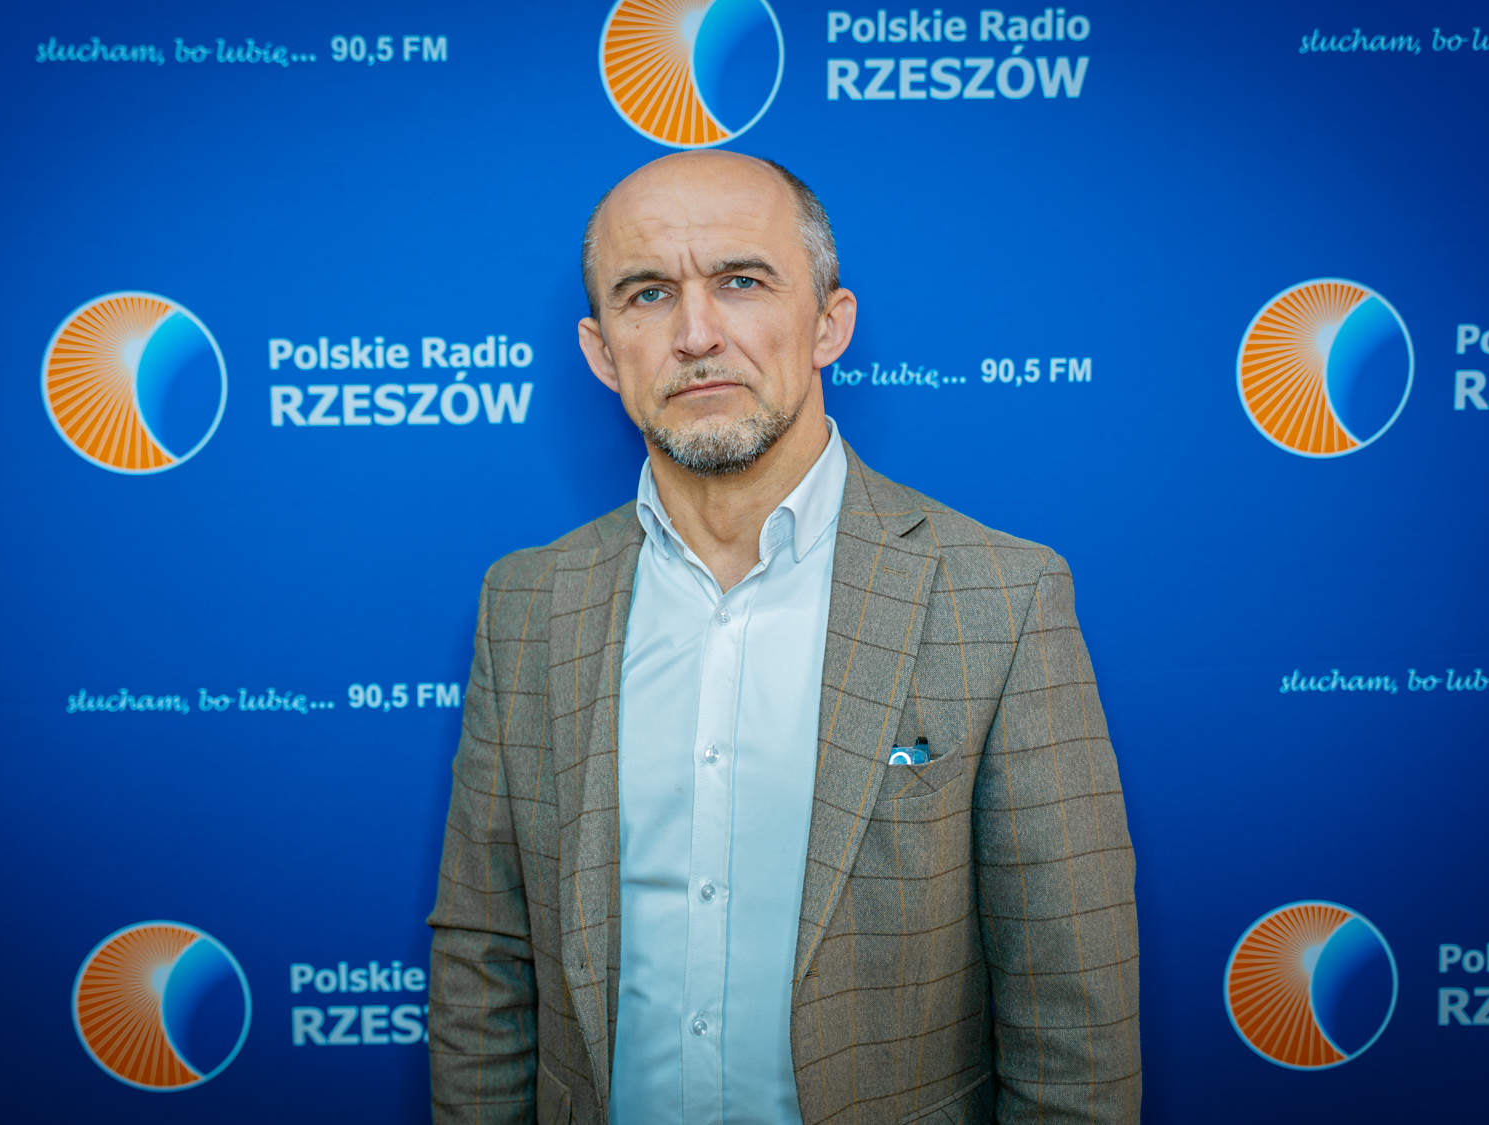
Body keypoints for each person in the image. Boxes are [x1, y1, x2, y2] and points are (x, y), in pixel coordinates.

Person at [427, 150, 1139, 1125]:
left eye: (742, 281)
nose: (696, 334)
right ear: (601, 351)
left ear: (829, 324)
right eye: (648, 294)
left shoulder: (1003, 598)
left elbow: (1073, 1015)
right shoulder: (527, 603)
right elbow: (485, 957)